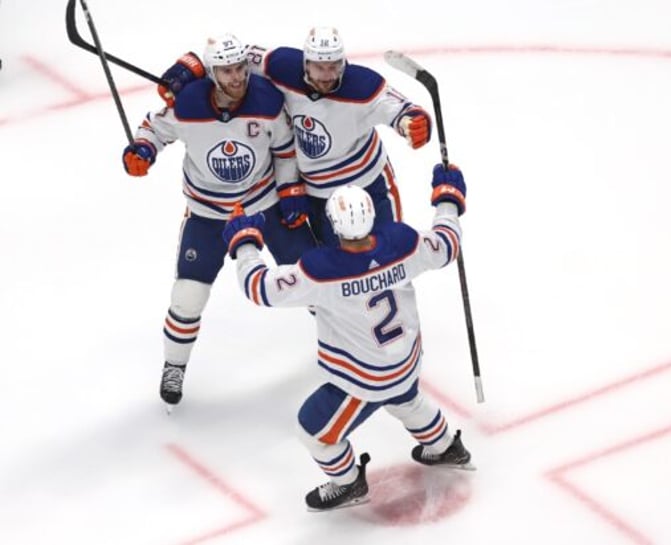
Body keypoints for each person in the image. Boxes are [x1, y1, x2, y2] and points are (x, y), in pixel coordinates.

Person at [221, 163, 473, 511]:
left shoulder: (321, 269)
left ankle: (348, 482)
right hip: (406, 357)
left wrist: (245, 243)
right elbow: (447, 244)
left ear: (334, 225)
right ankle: (444, 446)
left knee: (314, 431)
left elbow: (259, 288)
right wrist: (448, 199)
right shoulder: (402, 242)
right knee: (405, 397)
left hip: (364, 376)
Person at [122, 33, 316, 410]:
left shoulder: (267, 100)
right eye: (227, 71)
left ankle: (343, 339)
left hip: (265, 207)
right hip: (209, 215)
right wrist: (142, 149)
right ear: (213, 73)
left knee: (312, 275)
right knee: (188, 296)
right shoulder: (187, 106)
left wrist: (291, 188)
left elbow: (284, 147)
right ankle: (174, 366)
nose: (237, 77)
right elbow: (153, 128)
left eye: (240, 68)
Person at [158, 26, 433, 246]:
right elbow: (233, 56)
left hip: (367, 183)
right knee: (338, 269)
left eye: (334, 66)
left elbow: (398, 107)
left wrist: (412, 122)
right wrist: (192, 65)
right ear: (305, 63)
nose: (327, 75)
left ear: (343, 62)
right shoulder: (281, 66)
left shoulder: (363, 85)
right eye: (318, 67)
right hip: (315, 192)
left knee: (392, 253)